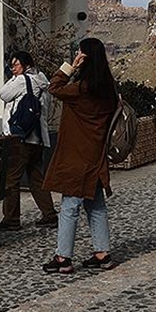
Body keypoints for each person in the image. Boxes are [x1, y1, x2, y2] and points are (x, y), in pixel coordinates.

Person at [42, 37, 119, 273]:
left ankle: (63, 257)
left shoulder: (81, 89)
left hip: (77, 156)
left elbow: (53, 87)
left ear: (84, 58)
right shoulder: (108, 89)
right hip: (95, 154)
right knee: (95, 205)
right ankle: (102, 253)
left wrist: (71, 67)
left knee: (69, 205)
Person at [0, 51, 58, 231]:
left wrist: (15, 78)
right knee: (36, 178)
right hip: (39, 138)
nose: (13, 68)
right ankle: (49, 214)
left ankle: (11, 219)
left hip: (21, 138)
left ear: (25, 64)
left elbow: (3, 94)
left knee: (11, 179)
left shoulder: (22, 81)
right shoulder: (42, 81)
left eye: (15, 64)